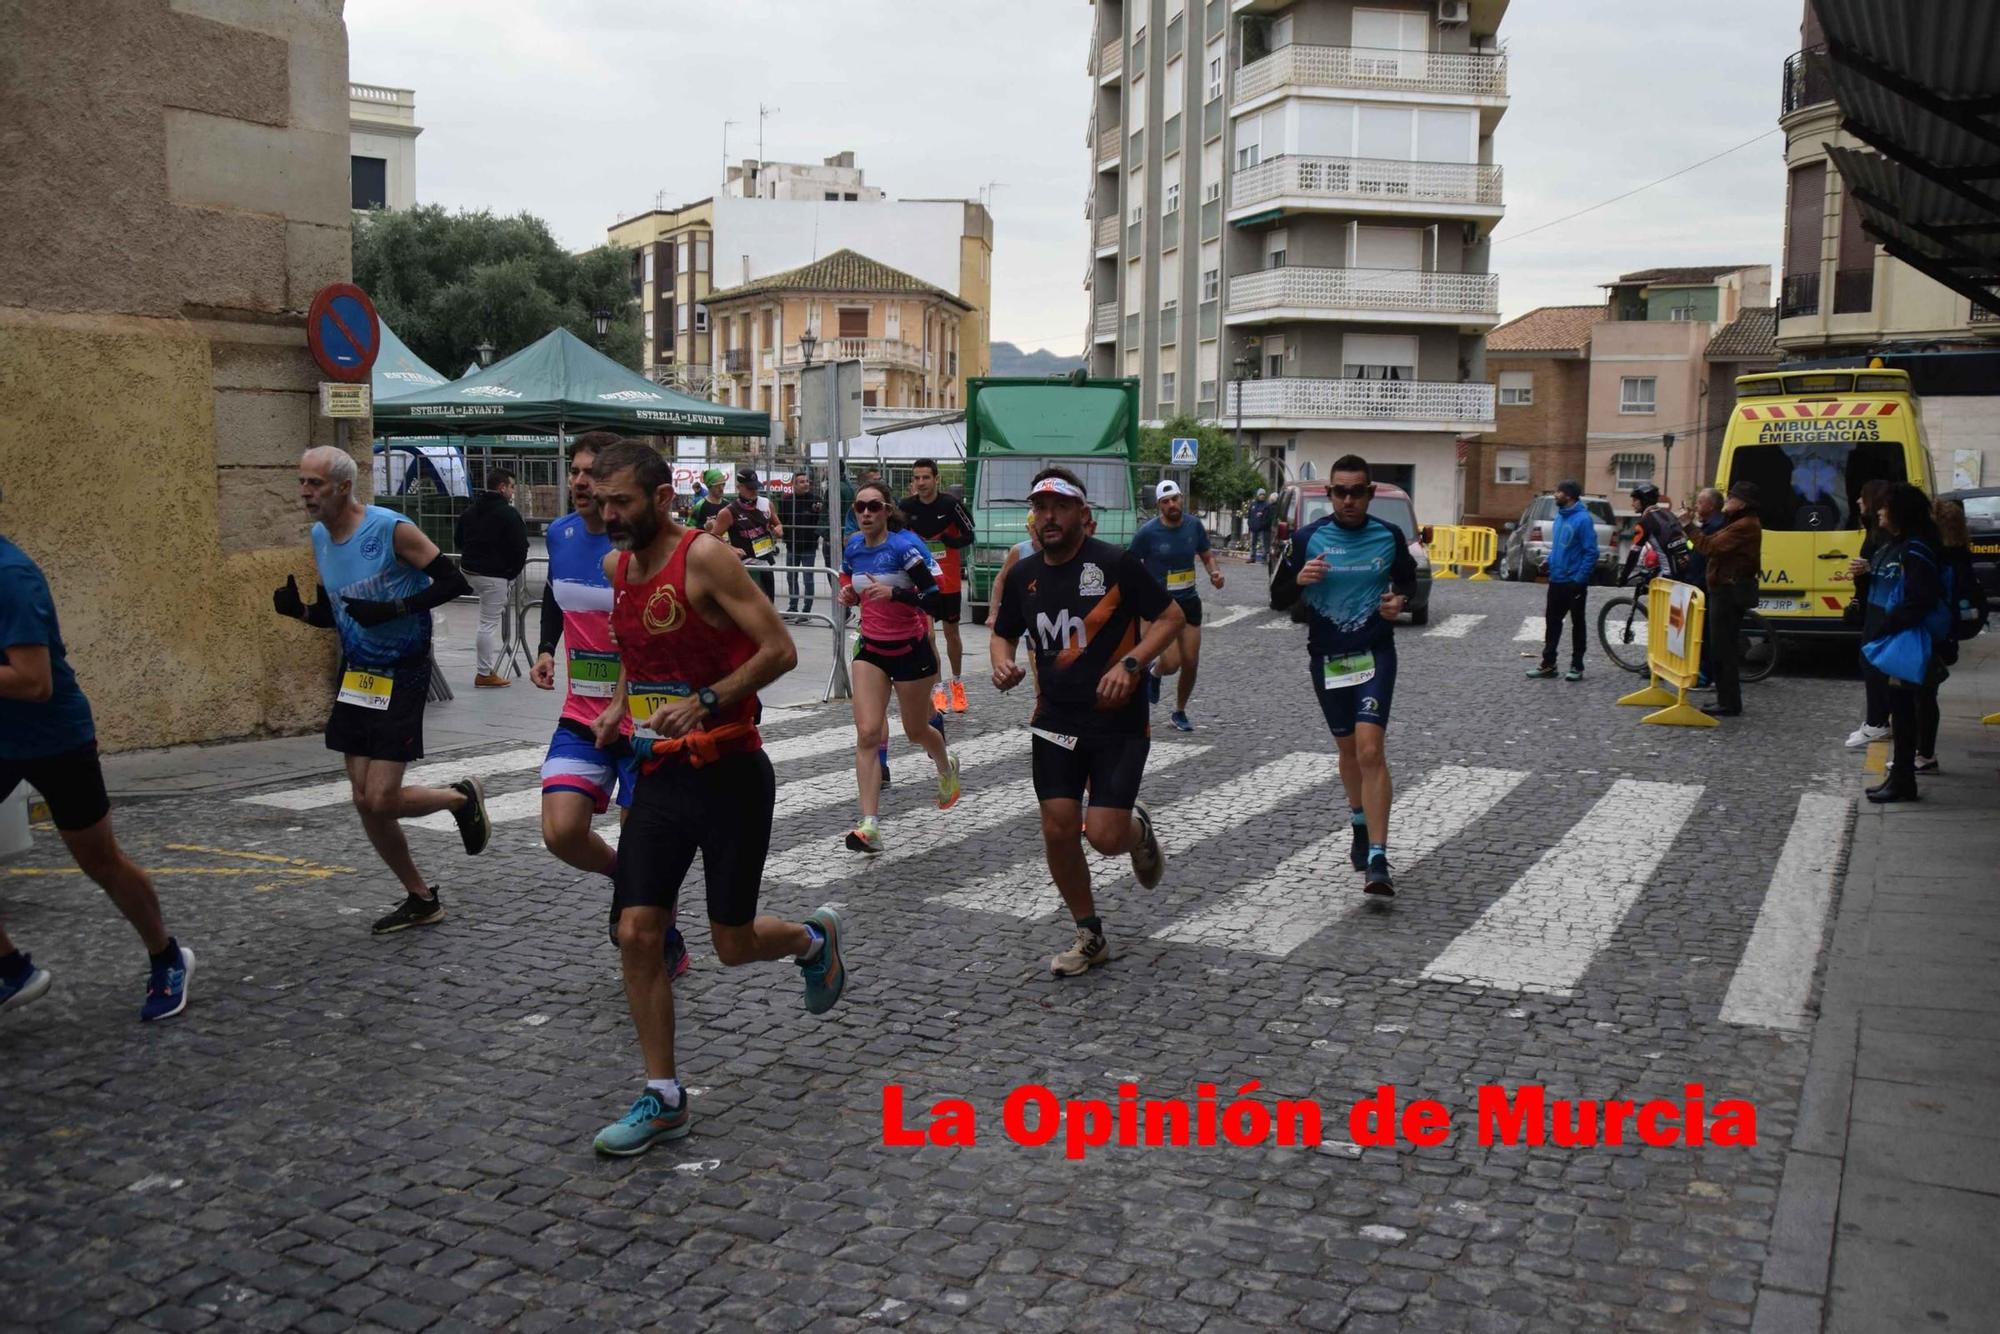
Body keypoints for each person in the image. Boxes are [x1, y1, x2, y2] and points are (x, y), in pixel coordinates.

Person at [585, 438, 847, 1155]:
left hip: (731, 772)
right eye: (601, 502)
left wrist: (707, 700)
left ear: (662, 499)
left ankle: (812, 940)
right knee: (637, 931)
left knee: (731, 944)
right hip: (663, 773)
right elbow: (643, 659)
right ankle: (663, 1095)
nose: (609, 515)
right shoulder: (619, 566)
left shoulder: (703, 556)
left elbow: (781, 650)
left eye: (623, 503)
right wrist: (620, 702)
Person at [274, 446, 492, 933]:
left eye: (315, 484)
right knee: (362, 798)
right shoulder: (320, 536)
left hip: (403, 672)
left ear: (343, 487)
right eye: (302, 482)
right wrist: (303, 614)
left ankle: (460, 798)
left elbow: (452, 581)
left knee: (382, 799)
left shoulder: (389, 529)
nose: (306, 493)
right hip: (357, 675)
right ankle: (420, 897)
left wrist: (394, 611)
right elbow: (342, 612)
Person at [991, 468, 1180, 976]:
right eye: (1039, 507)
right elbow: (1003, 633)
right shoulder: (1024, 575)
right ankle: (1090, 933)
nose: (1047, 517)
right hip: (1053, 718)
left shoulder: (1116, 564)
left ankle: (1137, 833)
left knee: (1103, 835)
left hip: (1116, 721)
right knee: (1057, 828)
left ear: (1081, 513)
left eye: (1058, 506)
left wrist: (1131, 664)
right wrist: (1001, 662)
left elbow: (1170, 619)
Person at [0, 529, 193, 1021]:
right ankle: (9, 969)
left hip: (55, 742)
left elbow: (33, 681)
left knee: (99, 860)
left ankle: (167, 957)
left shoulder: (11, 576)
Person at [529, 434, 687, 980]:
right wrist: (548, 648)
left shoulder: (638, 547)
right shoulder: (561, 533)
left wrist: (621, 702)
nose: (579, 482)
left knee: (644, 841)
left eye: (592, 473)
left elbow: (639, 637)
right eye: (574, 471)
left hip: (643, 715)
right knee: (561, 832)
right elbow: (555, 593)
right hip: (581, 711)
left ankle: (660, 930)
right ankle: (629, 883)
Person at [1273, 454, 1416, 897]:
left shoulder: (1388, 536)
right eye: (1340, 491)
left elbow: (1407, 584)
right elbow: (1277, 598)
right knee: (1349, 749)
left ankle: (1378, 856)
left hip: (1374, 653)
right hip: (1329, 660)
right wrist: (1299, 578)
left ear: (1370, 493)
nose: (1349, 499)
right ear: (1329, 493)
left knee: (1371, 750)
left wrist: (1399, 602)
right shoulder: (1307, 538)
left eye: (1357, 491)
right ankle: (1358, 819)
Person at [837, 482, 960, 854]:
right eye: (860, 506)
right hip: (871, 649)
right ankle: (869, 825)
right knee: (868, 733)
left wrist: (897, 594)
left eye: (874, 506)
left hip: (910, 650)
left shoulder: (905, 548)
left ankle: (945, 764)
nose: (866, 513)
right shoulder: (854, 547)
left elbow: (936, 599)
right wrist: (847, 592)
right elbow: (847, 576)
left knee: (915, 729)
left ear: (887, 510)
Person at [1856, 483, 1942, 803]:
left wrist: (1890, 624)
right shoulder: (1904, 543)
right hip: (1901, 635)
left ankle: (1904, 780)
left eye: (1886, 506)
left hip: (1907, 638)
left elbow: (1921, 598)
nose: (1879, 510)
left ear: (1900, 512)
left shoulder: (1916, 548)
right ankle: (1899, 776)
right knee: (1900, 709)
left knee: (1905, 711)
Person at [1129, 479, 1224, 732]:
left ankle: (1179, 711)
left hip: (1189, 601)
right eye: (1165, 501)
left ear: (1182, 498)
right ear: (1159, 505)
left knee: (1191, 661)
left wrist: (1214, 573)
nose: (1172, 504)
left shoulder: (1194, 526)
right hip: (1160, 607)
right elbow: (1130, 564)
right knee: (1171, 663)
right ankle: (1156, 673)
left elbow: (1206, 555)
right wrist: (1141, 591)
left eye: (1175, 499)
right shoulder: (1147, 532)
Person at [899, 458, 977, 715]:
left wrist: (949, 541)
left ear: (936, 479)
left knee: (951, 634)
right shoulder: (906, 507)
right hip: (922, 580)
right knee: (928, 635)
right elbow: (896, 535)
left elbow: (969, 534)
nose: (920, 483)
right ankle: (938, 689)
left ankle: (957, 683)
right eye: (917, 478)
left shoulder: (951, 505)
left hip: (950, 581)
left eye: (925, 478)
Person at [1916, 497, 1987, 773]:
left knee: (1923, 696)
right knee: (1926, 694)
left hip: (1934, 632)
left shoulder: (1938, 557)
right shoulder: (1960, 554)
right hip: (1948, 634)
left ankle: (1924, 754)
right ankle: (1923, 752)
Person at [1687, 481, 1765, 719]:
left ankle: (1729, 702)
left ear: (1741, 503)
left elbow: (1711, 547)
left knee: (1724, 649)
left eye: (1731, 498)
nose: (1727, 501)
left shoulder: (1745, 525)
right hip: (1724, 589)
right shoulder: (1738, 523)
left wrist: (1687, 527)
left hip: (1728, 592)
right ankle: (1725, 698)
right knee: (1720, 648)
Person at [455, 467, 530, 688]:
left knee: (484, 622)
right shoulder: (509, 513)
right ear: (502, 487)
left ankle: (486, 670)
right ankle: (484, 672)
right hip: (495, 576)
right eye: (512, 487)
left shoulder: (470, 511)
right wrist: (511, 575)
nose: (513, 491)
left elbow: (458, 540)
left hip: (468, 571)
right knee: (487, 624)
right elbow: (521, 548)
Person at [1843, 478, 1897, 747]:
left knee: (1873, 662)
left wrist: (1866, 571)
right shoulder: (1873, 531)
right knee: (1870, 661)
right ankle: (1876, 720)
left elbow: (1888, 571)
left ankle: (1877, 722)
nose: (1858, 501)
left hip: (1881, 605)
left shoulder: (1884, 536)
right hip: (1874, 603)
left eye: (1862, 496)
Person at [1526, 480, 1598, 683]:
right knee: (1552, 623)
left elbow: (1591, 552)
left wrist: (1580, 579)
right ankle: (1549, 664)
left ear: (1570, 496)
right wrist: (1548, 561)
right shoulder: (1560, 516)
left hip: (1574, 581)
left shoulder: (1583, 520)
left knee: (1578, 624)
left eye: (1559, 492)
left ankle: (1577, 665)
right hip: (1556, 579)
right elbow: (1560, 548)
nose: (1556, 494)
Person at [720, 469, 782, 602]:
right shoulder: (728, 512)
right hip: (745, 565)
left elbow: (777, 524)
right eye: (749, 488)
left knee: (768, 605)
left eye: (756, 487)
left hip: (765, 562)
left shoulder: (766, 504)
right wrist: (731, 548)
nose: (754, 491)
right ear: (739, 487)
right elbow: (712, 537)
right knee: (748, 608)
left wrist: (778, 529)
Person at [773, 471, 828, 616]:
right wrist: (782, 533)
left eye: (807, 481)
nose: (806, 484)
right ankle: (793, 606)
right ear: (794, 485)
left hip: (809, 545)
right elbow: (781, 520)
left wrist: (816, 534)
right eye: (802, 482)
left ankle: (807, 610)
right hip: (792, 545)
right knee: (791, 577)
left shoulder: (816, 500)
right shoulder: (786, 500)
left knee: (808, 578)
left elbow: (821, 521)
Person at [1619, 484, 1691, 586]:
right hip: (1685, 571)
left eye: (1635, 500)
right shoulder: (1669, 514)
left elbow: (1634, 554)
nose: (1632, 504)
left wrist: (1623, 577)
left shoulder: (1644, 522)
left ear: (1644, 500)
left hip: (1667, 576)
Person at [1246, 489, 1273, 563]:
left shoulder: (1267, 505)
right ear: (1258, 495)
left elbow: (1269, 518)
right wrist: (1250, 524)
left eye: (1263, 494)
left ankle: (1264, 558)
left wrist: (1263, 524)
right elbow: (1249, 515)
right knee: (1252, 543)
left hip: (1263, 529)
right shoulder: (1253, 504)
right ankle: (1252, 557)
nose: (1262, 496)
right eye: (1261, 494)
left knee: (1264, 544)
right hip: (1253, 527)